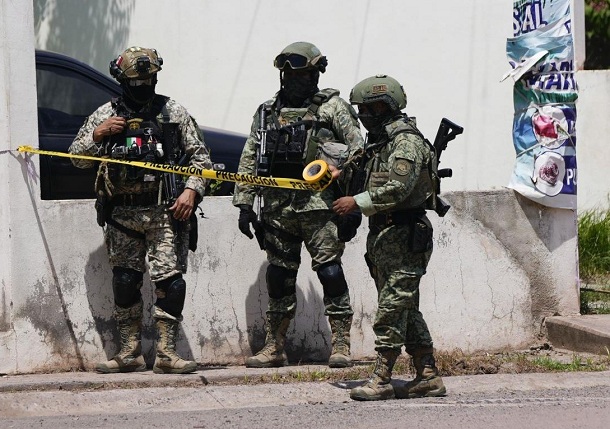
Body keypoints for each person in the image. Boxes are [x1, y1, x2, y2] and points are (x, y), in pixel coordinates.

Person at [69, 46, 211, 374]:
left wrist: (191, 190)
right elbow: (76, 157)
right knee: (124, 281)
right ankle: (129, 352)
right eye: (135, 82)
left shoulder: (173, 112)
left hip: (165, 212)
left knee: (171, 283)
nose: (143, 87)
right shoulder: (105, 114)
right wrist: (97, 134)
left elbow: (201, 159)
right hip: (122, 215)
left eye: (149, 81)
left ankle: (166, 354)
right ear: (122, 81)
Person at [233, 42, 364, 368]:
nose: (296, 81)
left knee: (330, 272)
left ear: (316, 74)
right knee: (278, 277)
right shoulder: (266, 112)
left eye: (304, 75)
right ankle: (274, 346)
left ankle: (342, 344)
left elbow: (360, 149)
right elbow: (250, 156)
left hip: (320, 207)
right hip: (278, 209)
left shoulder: (333, 108)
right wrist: (245, 203)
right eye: (291, 75)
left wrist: (340, 172)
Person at [333, 74, 446, 399]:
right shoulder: (380, 143)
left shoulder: (405, 142)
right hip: (384, 237)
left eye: (366, 109)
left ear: (384, 106)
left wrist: (358, 202)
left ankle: (381, 378)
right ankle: (428, 376)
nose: (362, 116)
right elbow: (370, 174)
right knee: (406, 308)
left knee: (392, 308)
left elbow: (400, 187)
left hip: (405, 236)